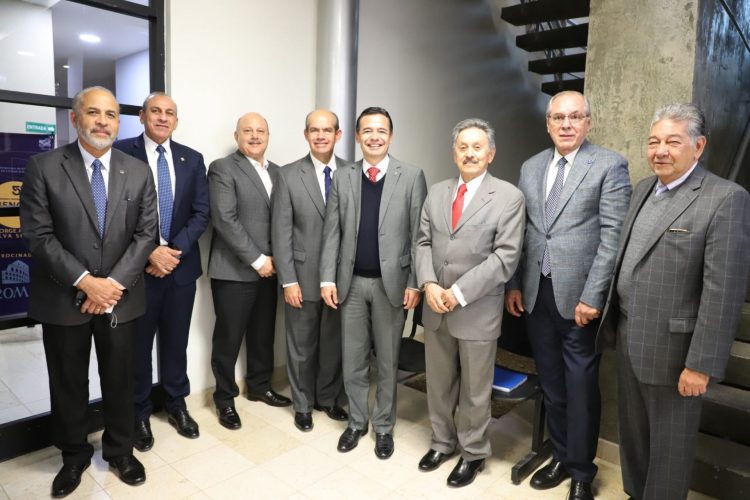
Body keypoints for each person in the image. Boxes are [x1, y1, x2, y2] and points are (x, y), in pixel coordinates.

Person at [598, 103, 750, 500]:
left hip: (676, 351)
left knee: (669, 450)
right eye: (654, 141)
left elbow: (723, 291)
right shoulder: (643, 189)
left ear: (698, 147)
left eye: (673, 142)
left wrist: (700, 365)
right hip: (629, 336)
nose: (660, 151)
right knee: (634, 437)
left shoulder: (725, 198)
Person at [20, 86, 157, 496]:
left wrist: (110, 286)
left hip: (120, 299)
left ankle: (120, 451)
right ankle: (74, 456)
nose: (102, 121)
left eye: (111, 114)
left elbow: (145, 234)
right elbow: (38, 235)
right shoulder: (44, 166)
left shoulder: (137, 171)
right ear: (76, 118)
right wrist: (85, 282)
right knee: (68, 383)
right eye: (94, 112)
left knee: (120, 379)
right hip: (63, 298)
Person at [505, 90, 631, 500]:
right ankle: (560, 455)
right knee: (553, 384)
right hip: (536, 295)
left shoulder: (609, 165)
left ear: (588, 122)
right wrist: (514, 284)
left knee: (580, 388)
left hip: (580, 302)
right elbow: (521, 231)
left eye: (575, 117)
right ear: (547, 124)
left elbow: (613, 238)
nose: (566, 124)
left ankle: (581, 471)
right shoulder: (530, 167)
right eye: (558, 117)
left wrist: (594, 295)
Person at [415, 118, 525, 487]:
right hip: (436, 305)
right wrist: (429, 284)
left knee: (476, 390)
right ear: (454, 153)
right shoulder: (437, 192)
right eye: (463, 147)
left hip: (476, 309)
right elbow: (422, 243)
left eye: (477, 147)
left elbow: (505, 257)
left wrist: (458, 292)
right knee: (438, 383)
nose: (470, 153)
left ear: (490, 154)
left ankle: (473, 453)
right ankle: (441, 442)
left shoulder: (508, 197)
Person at [320, 106, 427, 459]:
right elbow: (332, 232)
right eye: (367, 130)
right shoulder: (343, 176)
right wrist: (327, 278)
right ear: (357, 137)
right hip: (350, 284)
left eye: (381, 130)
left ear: (391, 136)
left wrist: (415, 283)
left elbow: (419, 235)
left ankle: (383, 427)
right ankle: (356, 422)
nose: (374, 137)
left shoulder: (411, 176)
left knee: (387, 361)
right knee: (353, 359)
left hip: (391, 284)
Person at [113, 92, 209, 451]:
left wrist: (173, 250)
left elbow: (201, 212)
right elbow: (115, 213)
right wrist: (150, 251)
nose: (163, 118)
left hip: (181, 270)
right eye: (156, 111)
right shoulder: (121, 153)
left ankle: (176, 404)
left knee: (176, 342)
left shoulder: (192, 159)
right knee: (138, 347)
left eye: (170, 113)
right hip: (139, 272)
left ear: (176, 121)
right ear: (142, 116)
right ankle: (139, 412)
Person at [207, 112, 291, 430]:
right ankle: (224, 399)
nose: (255, 136)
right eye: (248, 131)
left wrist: (277, 261)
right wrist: (258, 260)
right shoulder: (223, 168)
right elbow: (225, 220)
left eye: (261, 131)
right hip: (234, 270)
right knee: (228, 339)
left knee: (263, 333)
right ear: (237, 136)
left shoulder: (279, 172)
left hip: (272, 270)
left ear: (268, 136)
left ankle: (259, 386)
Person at [272, 110, 351, 432]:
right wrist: (288, 280)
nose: (321, 136)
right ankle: (303, 405)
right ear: (306, 134)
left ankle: (328, 398)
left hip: (341, 278)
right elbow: (281, 233)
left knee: (333, 344)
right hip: (301, 276)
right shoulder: (288, 175)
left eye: (327, 130)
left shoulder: (352, 173)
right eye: (314, 130)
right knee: (301, 346)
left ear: (338, 134)